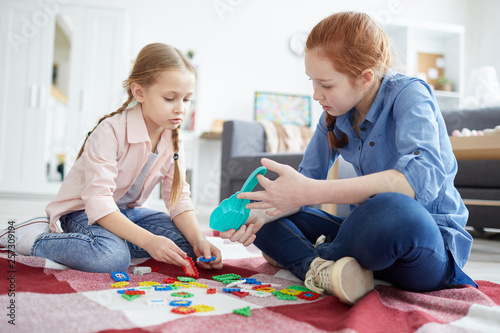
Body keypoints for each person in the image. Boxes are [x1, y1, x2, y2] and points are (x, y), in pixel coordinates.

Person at [220, 12, 477, 305]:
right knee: (261, 209)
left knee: (390, 208)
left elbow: (413, 182)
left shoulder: (410, 96)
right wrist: (264, 213)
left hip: (420, 245)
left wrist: (307, 192)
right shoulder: (333, 113)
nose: (316, 95)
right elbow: (305, 183)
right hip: (363, 239)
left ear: (366, 77)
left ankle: (306, 257)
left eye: (326, 85)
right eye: (312, 82)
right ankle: (322, 270)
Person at [0, 43, 222, 273]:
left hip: (129, 212)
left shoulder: (174, 138)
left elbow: (178, 199)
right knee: (112, 258)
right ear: (139, 92)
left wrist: (199, 242)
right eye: (169, 98)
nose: (180, 109)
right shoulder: (111, 131)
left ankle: (106, 241)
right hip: (83, 211)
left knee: (185, 245)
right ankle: (29, 237)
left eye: (187, 100)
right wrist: (148, 241)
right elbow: (98, 202)